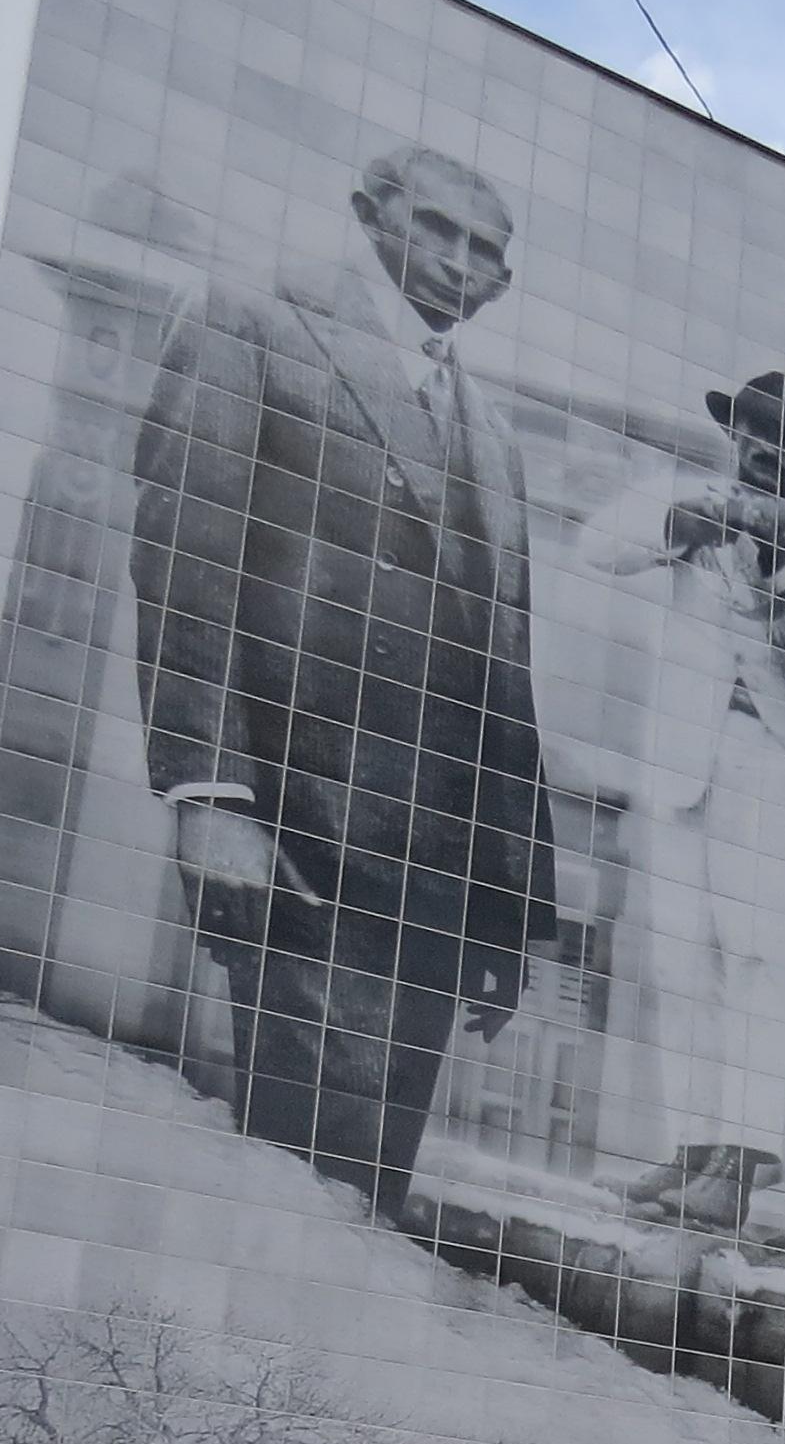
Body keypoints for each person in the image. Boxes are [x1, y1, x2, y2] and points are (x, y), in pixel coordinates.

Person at [131, 145, 556, 1222]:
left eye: (489, 253)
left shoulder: (495, 439)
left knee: (365, 1197)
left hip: (439, 880)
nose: (463, 265)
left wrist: (507, 913)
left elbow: (507, 684)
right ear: (371, 216)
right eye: (439, 228)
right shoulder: (253, 320)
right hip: (298, 834)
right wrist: (211, 796)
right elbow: (189, 549)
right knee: (297, 1186)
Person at [576, 369, 785, 1212]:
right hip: (680, 759)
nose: (766, 456)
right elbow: (599, 546)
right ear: (734, 439)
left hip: (768, 765)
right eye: (754, 439)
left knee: (759, 960)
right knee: (680, 957)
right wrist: (692, 524)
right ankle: (688, 1149)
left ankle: (743, 1160)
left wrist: (773, 570)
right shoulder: (682, 496)